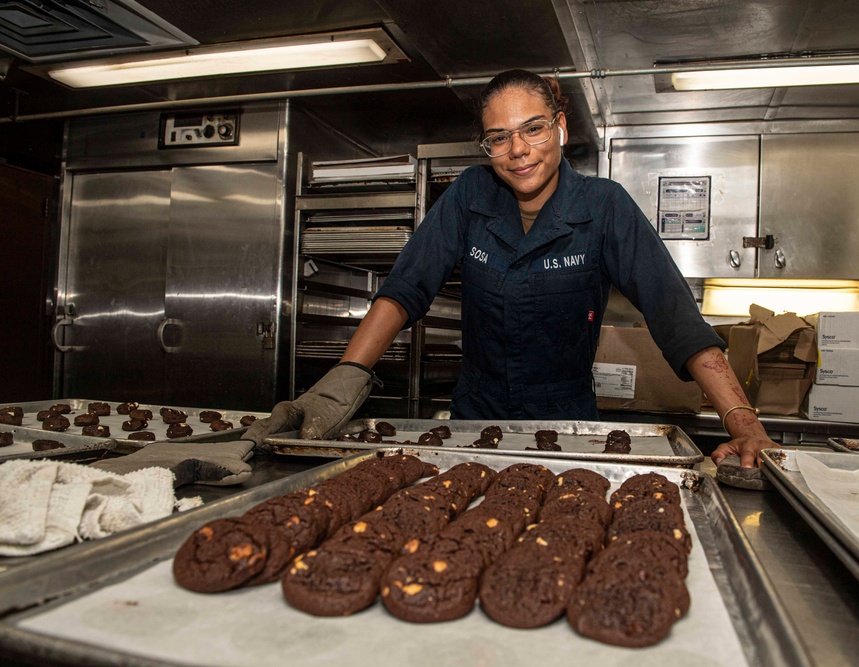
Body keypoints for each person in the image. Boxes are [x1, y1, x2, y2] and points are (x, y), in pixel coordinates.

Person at [248, 69, 775, 468]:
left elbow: (674, 312)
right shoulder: (470, 195)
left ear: (561, 128)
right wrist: (342, 381)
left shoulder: (605, 205)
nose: (518, 150)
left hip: (566, 421)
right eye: (498, 137)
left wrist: (741, 419)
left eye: (534, 129)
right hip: (475, 417)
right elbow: (405, 288)